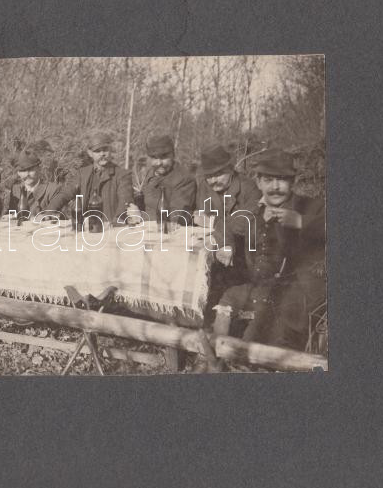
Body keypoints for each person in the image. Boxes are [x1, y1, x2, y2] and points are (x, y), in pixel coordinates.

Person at [211, 148, 326, 354]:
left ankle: (245, 356)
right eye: (268, 180)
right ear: (258, 182)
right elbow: (224, 225)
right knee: (228, 300)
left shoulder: (309, 206)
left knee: (256, 336)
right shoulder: (253, 211)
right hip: (258, 286)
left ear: (293, 182)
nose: (275, 187)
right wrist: (226, 245)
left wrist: (301, 222)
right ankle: (216, 356)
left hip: (294, 293)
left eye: (282, 180)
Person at [46, 130, 140, 225]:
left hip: (110, 227)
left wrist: (118, 221)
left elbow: (125, 200)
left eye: (105, 150)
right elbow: (65, 194)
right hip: (86, 227)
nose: (102, 154)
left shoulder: (122, 175)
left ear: (110, 150)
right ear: (90, 153)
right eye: (97, 151)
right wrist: (49, 212)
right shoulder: (82, 174)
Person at [140, 134, 196, 226]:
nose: (159, 163)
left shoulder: (184, 179)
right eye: (154, 157)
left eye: (163, 157)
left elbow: (176, 217)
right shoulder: (149, 173)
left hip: (172, 232)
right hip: (148, 230)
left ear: (173, 155)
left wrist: (140, 216)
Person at [3, 150, 63, 220]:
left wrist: (44, 217)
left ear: (39, 169)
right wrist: (9, 217)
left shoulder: (52, 189)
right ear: (18, 173)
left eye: (30, 170)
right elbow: (10, 213)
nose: (27, 174)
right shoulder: (15, 190)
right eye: (23, 171)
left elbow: (60, 216)